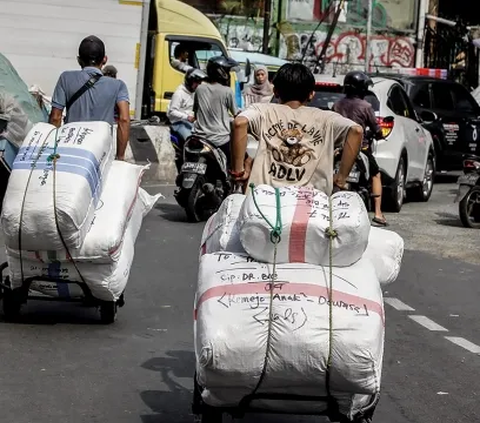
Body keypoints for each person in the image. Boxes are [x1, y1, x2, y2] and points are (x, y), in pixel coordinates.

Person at [230, 62, 363, 194]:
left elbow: (239, 123)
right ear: (311, 94)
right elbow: (356, 131)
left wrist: (239, 171)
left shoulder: (262, 110)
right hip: (312, 202)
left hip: (265, 199)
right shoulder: (327, 119)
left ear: (275, 92)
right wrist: (341, 178)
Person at [49, 35, 130, 160]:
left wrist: (52, 150)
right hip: (100, 153)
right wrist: (120, 157)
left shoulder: (65, 78)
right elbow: (124, 120)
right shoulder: (118, 86)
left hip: (70, 148)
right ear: (104, 59)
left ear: (79, 60)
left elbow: (55, 117)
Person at [333, 71, 388, 226]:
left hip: (338, 148)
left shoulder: (337, 105)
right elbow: (376, 129)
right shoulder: (366, 106)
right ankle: (378, 213)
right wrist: (379, 134)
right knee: (376, 174)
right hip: (360, 148)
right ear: (362, 88)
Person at [192, 55, 239, 162]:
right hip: (220, 140)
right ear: (221, 72)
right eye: (227, 71)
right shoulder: (227, 91)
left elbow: (195, 113)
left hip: (200, 138)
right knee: (236, 162)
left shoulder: (200, 88)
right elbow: (236, 115)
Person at [167, 68, 207, 144]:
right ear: (190, 81)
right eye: (196, 82)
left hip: (191, 123)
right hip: (178, 123)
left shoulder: (194, 93)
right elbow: (172, 111)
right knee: (189, 140)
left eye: (199, 83)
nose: (198, 85)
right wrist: (187, 117)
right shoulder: (179, 93)